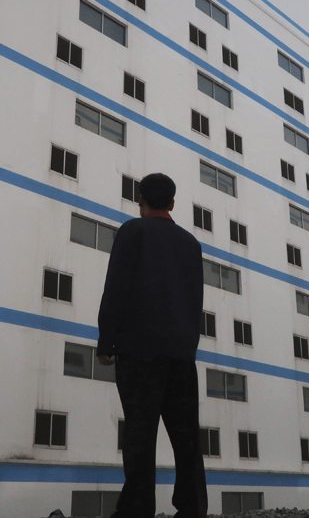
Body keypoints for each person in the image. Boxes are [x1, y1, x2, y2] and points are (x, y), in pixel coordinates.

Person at [96, 172, 207, 518]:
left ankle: (136, 509)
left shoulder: (132, 232)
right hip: (180, 353)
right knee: (186, 437)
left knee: (140, 436)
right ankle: (192, 508)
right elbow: (194, 299)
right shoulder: (190, 243)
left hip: (139, 351)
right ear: (173, 203)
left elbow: (116, 288)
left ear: (139, 200)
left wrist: (106, 341)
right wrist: (189, 344)